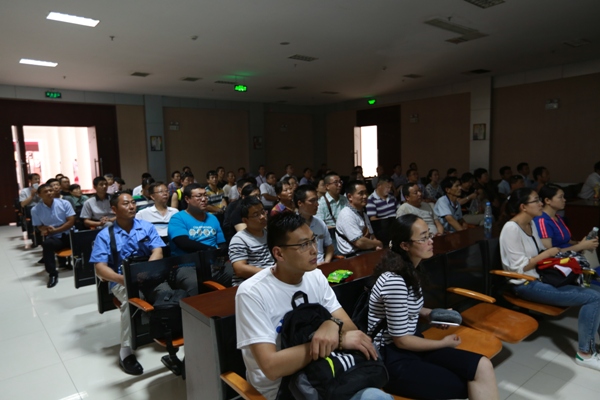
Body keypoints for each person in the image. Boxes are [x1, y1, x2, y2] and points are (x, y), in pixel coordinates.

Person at [235, 212, 391, 400]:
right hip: (282, 390)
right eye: (303, 245)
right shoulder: (252, 293)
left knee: (376, 395)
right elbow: (271, 367)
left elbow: (350, 327)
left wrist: (332, 324)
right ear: (278, 253)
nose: (314, 250)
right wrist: (338, 341)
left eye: (313, 240)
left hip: (324, 374)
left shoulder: (314, 275)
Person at [368, 215, 498, 399]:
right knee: (461, 384)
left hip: (411, 345)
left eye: (429, 235)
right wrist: (444, 343)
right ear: (405, 245)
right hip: (392, 357)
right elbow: (401, 340)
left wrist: (432, 315)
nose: (431, 241)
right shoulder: (395, 281)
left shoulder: (409, 269)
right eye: (423, 238)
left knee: (482, 366)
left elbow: (406, 309)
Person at [500, 188, 600, 371]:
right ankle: (585, 353)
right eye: (536, 201)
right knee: (593, 298)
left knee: (598, 292)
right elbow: (518, 268)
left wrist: (568, 250)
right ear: (523, 207)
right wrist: (547, 253)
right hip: (526, 284)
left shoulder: (531, 224)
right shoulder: (511, 228)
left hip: (543, 277)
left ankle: (592, 342)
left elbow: (542, 254)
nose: (540, 204)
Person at [90, 191, 164, 375]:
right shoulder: (105, 235)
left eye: (133, 203)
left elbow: (157, 251)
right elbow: (100, 268)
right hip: (121, 280)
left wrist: (147, 271)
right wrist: (122, 279)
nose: (132, 206)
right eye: (126, 204)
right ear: (114, 209)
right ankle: (125, 352)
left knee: (168, 293)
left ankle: (167, 333)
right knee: (130, 302)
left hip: (148, 274)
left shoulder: (146, 226)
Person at [534, 184, 599, 266]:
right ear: (547, 200)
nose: (564, 200)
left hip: (570, 257)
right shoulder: (542, 221)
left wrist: (584, 243)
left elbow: (566, 240)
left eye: (564, 197)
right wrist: (580, 246)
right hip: (558, 264)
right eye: (560, 197)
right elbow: (548, 254)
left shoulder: (558, 217)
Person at [31, 184, 76, 288]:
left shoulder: (64, 203)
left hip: (69, 234)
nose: (49, 193)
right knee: (47, 244)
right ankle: (52, 274)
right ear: (39, 195)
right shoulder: (35, 209)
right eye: (46, 191)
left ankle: (88, 269)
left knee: (85, 239)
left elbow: (71, 221)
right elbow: (39, 226)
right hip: (54, 237)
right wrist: (44, 229)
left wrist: (57, 229)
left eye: (50, 190)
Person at [229, 197, 274, 286]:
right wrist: (270, 273)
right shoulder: (239, 239)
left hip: (270, 280)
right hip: (250, 284)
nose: (262, 217)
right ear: (245, 220)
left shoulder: (269, 234)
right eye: (256, 215)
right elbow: (239, 269)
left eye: (263, 212)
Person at [336, 180, 383, 256]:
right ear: (350, 197)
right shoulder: (346, 214)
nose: (365, 196)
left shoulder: (362, 212)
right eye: (361, 193)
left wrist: (376, 245)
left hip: (366, 251)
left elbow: (371, 235)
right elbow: (360, 242)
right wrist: (378, 243)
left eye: (366, 193)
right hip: (352, 256)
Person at [295, 184, 334, 264]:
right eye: (312, 201)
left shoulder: (320, 223)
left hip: (321, 264)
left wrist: (326, 262)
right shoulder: (291, 226)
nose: (317, 204)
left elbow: (329, 246)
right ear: (300, 203)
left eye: (317, 200)